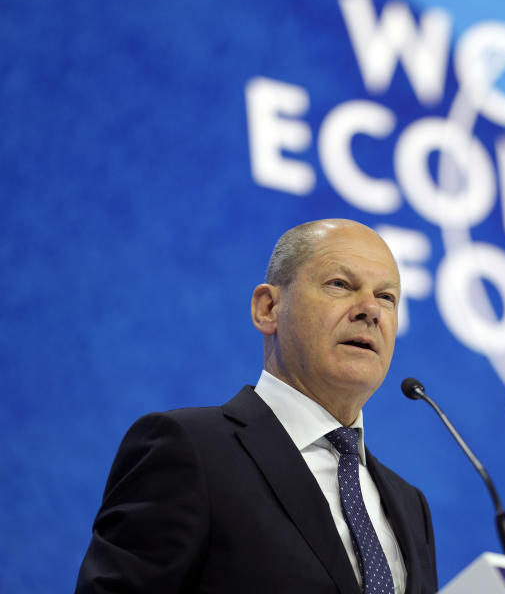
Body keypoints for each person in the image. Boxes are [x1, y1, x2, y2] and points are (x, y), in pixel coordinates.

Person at [76, 219, 438, 594]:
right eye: (340, 285)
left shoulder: (410, 506)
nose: (369, 310)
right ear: (268, 308)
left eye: (386, 297)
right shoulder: (191, 450)